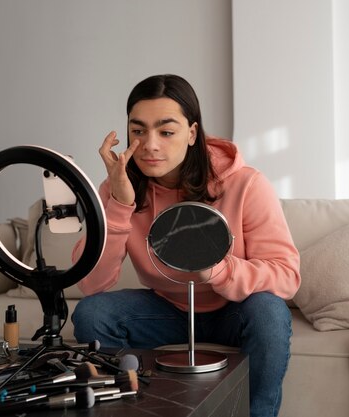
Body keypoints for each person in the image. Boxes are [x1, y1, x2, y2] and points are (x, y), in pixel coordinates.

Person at [71, 74, 301, 417]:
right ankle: (137, 408)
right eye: (138, 130)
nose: (150, 144)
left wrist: (215, 267)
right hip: (167, 309)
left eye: (166, 131)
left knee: (269, 311)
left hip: (234, 310)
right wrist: (120, 204)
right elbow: (91, 284)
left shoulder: (246, 184)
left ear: (192, 133)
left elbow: (286, 277)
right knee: (93, 314)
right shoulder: (119, 186)